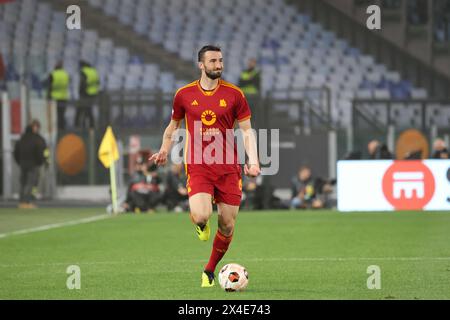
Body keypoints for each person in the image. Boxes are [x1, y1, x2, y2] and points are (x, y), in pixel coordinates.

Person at [149, 45, 261, 288]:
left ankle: (209, 270)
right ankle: (201, 224)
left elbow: (246, 131)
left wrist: (253, 160)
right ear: (201, 65)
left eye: (220, 60)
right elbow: (173, 126)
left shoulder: (235, 94)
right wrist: (164, 150)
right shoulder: (183, 94)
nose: (218, 65)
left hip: (228, 167)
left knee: (228, 224)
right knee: (201, 215)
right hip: (199, 165)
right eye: (212, 61)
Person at [13, 119, 48, 209]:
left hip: (23, 164)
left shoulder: (22, 138)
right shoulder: (37, 139)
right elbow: (41, 152)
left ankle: (21, 201)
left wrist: (19, 162)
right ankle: (26, 202)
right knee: (30, 183)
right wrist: (41, 162)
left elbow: (16, 152)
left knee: (23, 183)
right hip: (33, 165)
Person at [46, 61, 70, 131]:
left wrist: (48, 97)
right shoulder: (65, 74)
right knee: (61, 115)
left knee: (54, 116)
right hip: (64, 97)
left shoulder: (53, 74)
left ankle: (55, 130)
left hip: (54, 98)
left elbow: (49, 86)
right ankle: (62, 129)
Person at [76, 60, 100, 129]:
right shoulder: (94, 71)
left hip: (85, 94)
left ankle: (82, 127)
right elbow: (98, 82)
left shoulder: (84, 72)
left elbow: (82, 83)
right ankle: (91, 125)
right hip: (94, 94)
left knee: (83, 110)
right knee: (89, 110)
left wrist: (81, 92)